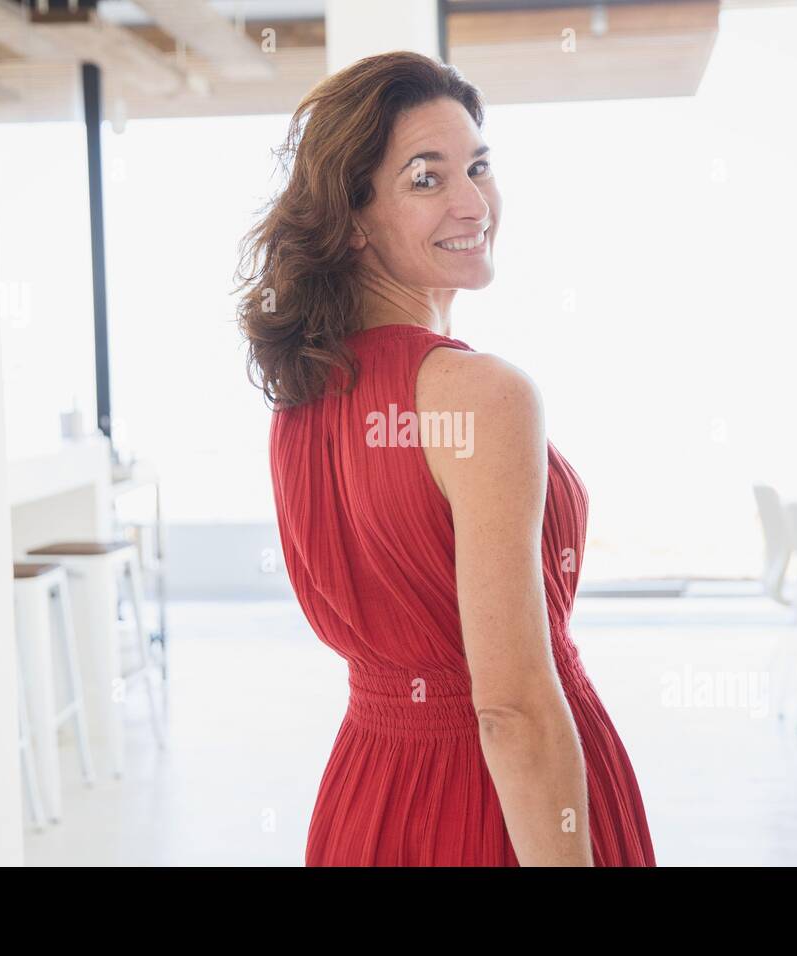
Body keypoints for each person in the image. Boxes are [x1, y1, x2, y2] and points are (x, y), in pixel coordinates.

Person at [235, 50, 655, 867]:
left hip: (369, 796)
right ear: (355, 217)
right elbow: (511, 710)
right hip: (495, 807)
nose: (473, 202)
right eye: (426, 179)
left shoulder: (304, 399)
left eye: (479, 166)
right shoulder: (483, 394)